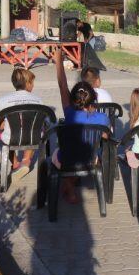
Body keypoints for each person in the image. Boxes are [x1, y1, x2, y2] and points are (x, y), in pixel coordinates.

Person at [53, 47, 110, 204]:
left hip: (69, 159)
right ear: (95, 98)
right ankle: (70, 184)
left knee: (60, 152)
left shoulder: (70, 113)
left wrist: (58, 61)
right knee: (81, 149)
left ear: (73, 99)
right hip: (91, 159)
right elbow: (106, 137)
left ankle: (68, 185)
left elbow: (62, 86)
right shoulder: (103, 118)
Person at [0, 66, 43, 178]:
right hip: (33, 137)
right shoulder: (38, 99)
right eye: (32, 82)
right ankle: (26, 160)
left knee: (1, 131)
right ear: (28, 83)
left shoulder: (3, 99)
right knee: (34, 128)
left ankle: (15, 164)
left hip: (11, 138)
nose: (33, 85)